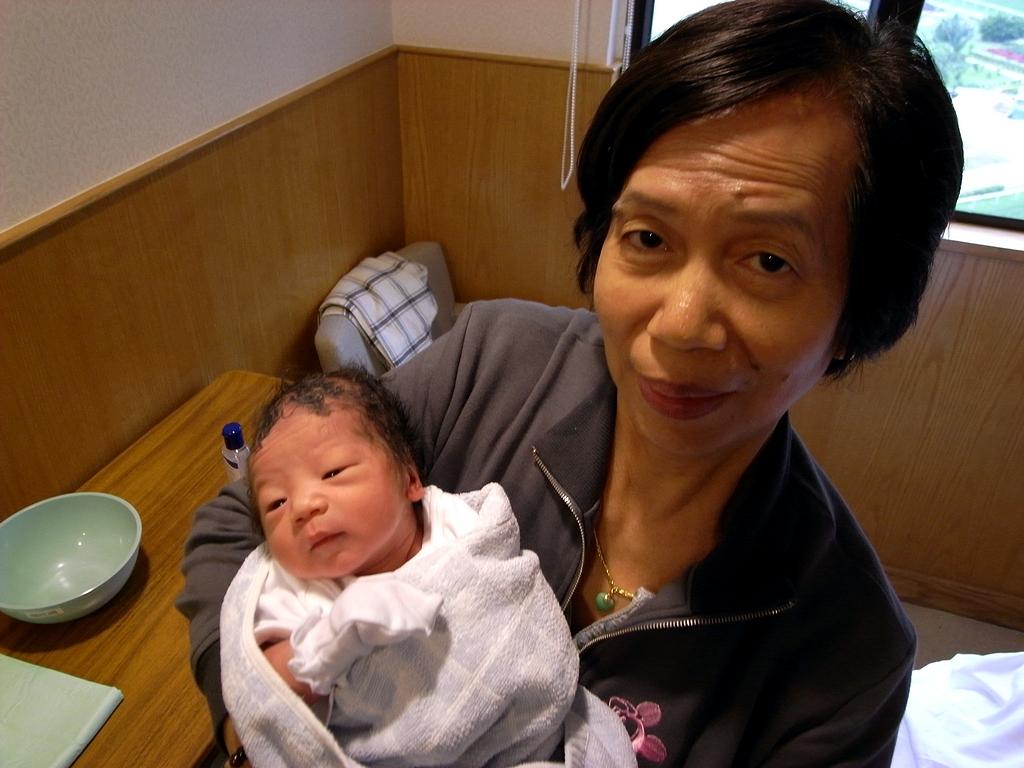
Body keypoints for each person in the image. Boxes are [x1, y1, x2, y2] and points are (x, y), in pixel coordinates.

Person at [177, 1, 964, 765]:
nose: (681, 324)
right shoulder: (489, 362)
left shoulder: (849, 663)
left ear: (857, 317)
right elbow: (235, 521)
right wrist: (263, 721)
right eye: (648, 237)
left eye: (768, 261)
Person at [218, 368, 635, 767]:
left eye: (332, 472)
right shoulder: (294, 587)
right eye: (276, 503)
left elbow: (510, 605)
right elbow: (263, 683)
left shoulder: (461, 528)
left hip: (528, 738)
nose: (303, 506)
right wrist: (332, 642)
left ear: (409, 480)